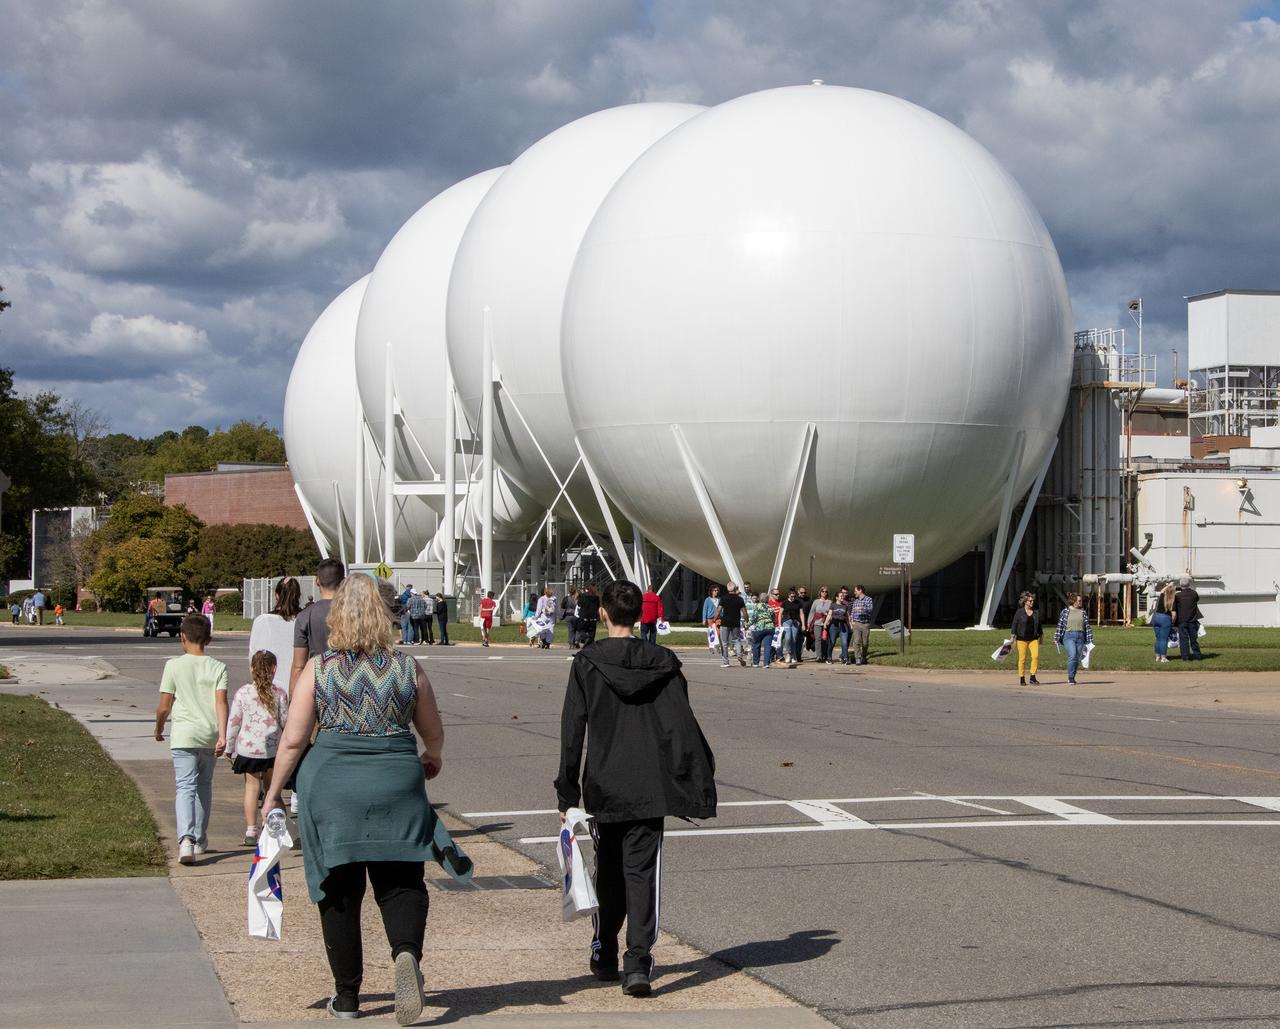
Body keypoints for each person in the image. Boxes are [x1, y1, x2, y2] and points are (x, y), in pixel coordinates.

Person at [262, 573, 467, 1025]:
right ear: (384, 614)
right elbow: (432, 732)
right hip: (396, 779)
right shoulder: (406, 667)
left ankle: (347, 995)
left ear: (337, 617)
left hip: (332, 785)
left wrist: (273, 793)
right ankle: (406, 953)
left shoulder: (321, 667)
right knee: (401, 880)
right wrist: (431, 757)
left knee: (339, 889)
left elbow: (294, 740)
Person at [555, 579, 716, 998]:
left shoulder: (587, 663)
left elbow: (572, 730)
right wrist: (691, 776)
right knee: (641, 873)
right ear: (640, 615)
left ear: (603, 613)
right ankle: (637, 961)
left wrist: (566, 793)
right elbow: (681, 725)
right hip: (650, 782)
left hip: (606, 782)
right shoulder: (663, 662)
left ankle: (604, 949)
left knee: (608, 870)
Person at [154, 613, 229, 864]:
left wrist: (159, 728)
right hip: (209, 735)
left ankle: (185, 839)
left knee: (185, 786)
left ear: (182, 637)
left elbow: (164, 706)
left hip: (184, 735)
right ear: (208, 639)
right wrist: (223, 733)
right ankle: (199, 838)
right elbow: (221, 702)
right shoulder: (218, 667)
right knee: (204, 786)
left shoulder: (173, 665)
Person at [226, 650, 288, 847]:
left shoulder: (243, 693)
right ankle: (268, 826)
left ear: (251, 668)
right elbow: (286, 721)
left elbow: (234, 721)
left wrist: (229, 746)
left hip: (248, 749)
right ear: (274, 669)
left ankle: (250, 830)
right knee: (271, 789)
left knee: (251, 788)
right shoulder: (279, 693)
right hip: (272, 750)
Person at [291, 558, 345, 691]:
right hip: (347, 685)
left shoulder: (305, 616)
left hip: (316, 685)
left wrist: (293, 701)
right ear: (343, 582)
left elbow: (298, 667)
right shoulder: (355, 613)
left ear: (317, 580)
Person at [248, 577, 303, 695]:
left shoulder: (263, 621)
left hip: (269, 689)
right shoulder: (305, 620)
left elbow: (254, 658)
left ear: (276, 595)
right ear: (298, 596)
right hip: (300, 690)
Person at [1053, 592, 1094, 686]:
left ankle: (1073, 676)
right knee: (1073, 654)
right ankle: (1070, 677)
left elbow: (1087, 627)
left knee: (1077, 658)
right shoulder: (1065, 611)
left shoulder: (1083, 612)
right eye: (1079, 601)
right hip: (1068, 636)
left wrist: (1090, 639)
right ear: (1074, 601)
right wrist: (1056, 637)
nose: (1080, 602)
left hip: (1080, 636)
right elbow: (1060, 625)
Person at [1009, 592, 1042, 686]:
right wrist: (1012, 636)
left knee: (1035, 656)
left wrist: (1041, 636)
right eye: (1030, 601)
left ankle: (1032, 677)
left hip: (1033, 639)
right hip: (1021, 639)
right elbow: (1014, 624)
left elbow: (1039, 625)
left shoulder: (1036, 612)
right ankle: (1022, 678)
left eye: (1033, 601)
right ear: (1025, 602)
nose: (1032, 602)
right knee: (1022, 659)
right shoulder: (1019, 612)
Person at [714, 582, 747, 668]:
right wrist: (747, 620)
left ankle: (726, 662)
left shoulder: (724, 598)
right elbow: (744, 611)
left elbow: (718, 610)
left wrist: (714, 619)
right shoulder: (740, 599)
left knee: (724, 643)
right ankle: (739, 655)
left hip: (725, 622)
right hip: (736, 622)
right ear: (735, 588)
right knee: (736, 640)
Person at [1172, 576, 1203, 661]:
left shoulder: (1177, 596)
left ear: (1180, 585)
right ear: (1189, 584)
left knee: (1183, 640)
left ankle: (1185, 657)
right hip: (1192, 620)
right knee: (1194, 639)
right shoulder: (1194, 593)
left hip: (1182, 621)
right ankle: (1198, 655)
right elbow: (1196, 600)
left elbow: (1174, 609)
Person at [748, 593, 776, 667]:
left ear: (760, 599)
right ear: (767, 599)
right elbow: (773, 618)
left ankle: (755, 663)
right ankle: (766, 663)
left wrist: (747, 625)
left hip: (759, 628)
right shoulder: (770, 607)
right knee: (767, 646)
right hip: (769, 628)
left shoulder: (757, 606)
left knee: (756, 645)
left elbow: (753, 618)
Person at [825, 588, 852, 665]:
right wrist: (825, 623)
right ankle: (829, 658)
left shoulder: (845, 606)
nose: (842, 597)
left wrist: (850, 625)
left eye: (843, 596)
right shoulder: (833, 605)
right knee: (832, 642)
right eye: (840, 596)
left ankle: (845, 658)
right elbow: (829, 615)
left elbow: (848, 616)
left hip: (843, 625)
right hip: (834, 625)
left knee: (844, 642)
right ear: (836, 597)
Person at [849, 585, 873, 665]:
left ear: (860, 591)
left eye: (855, 591)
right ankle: (858, 658)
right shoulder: (855, 601)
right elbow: (852, 612)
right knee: (856, 641)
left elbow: (870, 610)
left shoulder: (869, 599)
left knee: (865, 642)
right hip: (857, 623)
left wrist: (862, 609)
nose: (854, 592)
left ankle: (864, 656)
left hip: (865, 624)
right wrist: (852, 621)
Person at [808, 587, 833, 663]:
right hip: (817, 622)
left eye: (826, 591)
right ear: (820, 592)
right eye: (823, 591)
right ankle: (818, 656)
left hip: (826, 623)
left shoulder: (830, 602)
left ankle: (824, 655)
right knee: (818, 639)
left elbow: (831, 612)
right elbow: (812, 612)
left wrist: (829, 620)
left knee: (825, 640)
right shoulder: (816, 601)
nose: (824, 593)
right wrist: (809, 622)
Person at [780, 588, 803, 667]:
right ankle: (787, 653)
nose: (793, 598)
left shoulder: (798, 603)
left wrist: (803, 624)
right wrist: (780, 624)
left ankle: (793, 655)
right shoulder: (784, 603)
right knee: (788, 638)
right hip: (786, 621)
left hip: (795, 622)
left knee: (793, 639)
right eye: (791, 596)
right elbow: (780, 613)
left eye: (794, 596)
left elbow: (801, 614)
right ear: (788, 595)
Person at [1150, 590, 1173, 663]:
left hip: (1155, 617)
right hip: (1165, 618)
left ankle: (1157, 656)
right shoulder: (1172, 599)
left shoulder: (1161, 595)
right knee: (1163, 639)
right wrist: (1173, 622)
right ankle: (1163, 657)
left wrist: (1168, 585)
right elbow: (1174, 614)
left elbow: (1162, 590)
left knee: (1158, 638)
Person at [795, 586, 812, 663]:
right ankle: (795, 655)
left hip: (806, 622)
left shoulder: (809, 600)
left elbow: (811, 612)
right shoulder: (795, 600)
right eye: (801, 592)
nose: (803, 594)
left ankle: (798, 655)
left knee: (802, 640)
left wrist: (808, 623)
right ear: (798, 592)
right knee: (796, 639)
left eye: (804, 592)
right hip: (796, 622)